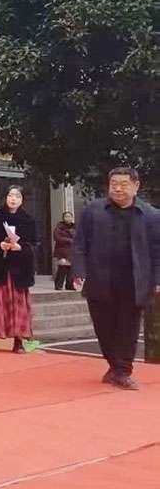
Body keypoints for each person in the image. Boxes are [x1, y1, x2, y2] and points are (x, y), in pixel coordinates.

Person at [72, 167, 160, 391]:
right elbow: (80, 244)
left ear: (136, 186)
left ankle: (123, 371)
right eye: (114, 184)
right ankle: (114, 366)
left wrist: (157, 280)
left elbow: (157, 251)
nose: (118, 189)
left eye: (123, 184)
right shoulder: (93, 211)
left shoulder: (151, 215)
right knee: (104, 328)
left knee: (128, 328)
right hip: (99, 279)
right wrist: (79, 271)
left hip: (134, 281)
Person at [0, 186, 37, 353]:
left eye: (17, 196)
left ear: (22, 200)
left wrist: (21, 247)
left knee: (17, 306)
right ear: (5, 197)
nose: (13, 199)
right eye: (10, 195)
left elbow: (34, 245)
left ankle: (18, 341)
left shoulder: (28, 220)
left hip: (18, 270)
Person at [53, 211, 76, 290]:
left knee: (71, 269)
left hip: (72, 251)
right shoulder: (59, 227)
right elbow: (57, 237)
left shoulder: (75, 227)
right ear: (63, 218)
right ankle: (58, 285)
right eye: (66, 216)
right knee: (62, 268)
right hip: (62, 251)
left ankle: (69, 285)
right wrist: (69, 240)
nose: (68, 218)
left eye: (69, 216)